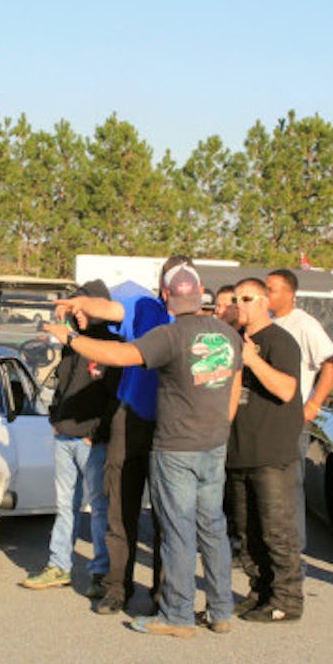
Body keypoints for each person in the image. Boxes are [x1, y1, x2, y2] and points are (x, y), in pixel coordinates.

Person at [47, 260, 242, 638]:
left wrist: (70, 338)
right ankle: (207, 607)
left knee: (176, 527)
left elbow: (121, 356)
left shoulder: (172, 334)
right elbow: (235, 381)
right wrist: (82, 303)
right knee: (200, 524)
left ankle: (174, 608)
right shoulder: (219, 331)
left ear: (167, 291)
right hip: (166, 426)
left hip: (175, 438)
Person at [53, 258, 190, 616]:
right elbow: (109, 308)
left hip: (171, 425)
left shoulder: (194, 322)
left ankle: (164, 595)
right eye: (171, 282)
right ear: (162, 286)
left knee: (167, 516)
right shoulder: (143, 306)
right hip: (130, 419)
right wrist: (81, 303)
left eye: (184, 281)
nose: (176, 288)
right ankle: (116, 588)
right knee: (119, 507)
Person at [21, 279, 118, 596]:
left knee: (99, 509)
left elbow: (115, 398)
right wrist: (55, 419)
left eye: (81, 307)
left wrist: (97, 433)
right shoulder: (70, 343)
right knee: (65, 507)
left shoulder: (111, 345)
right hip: (64, 437)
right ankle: (59, 566)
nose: (77, 313)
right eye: (74, 308)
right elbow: (61, 386)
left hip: (92, 442)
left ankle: (101, 573)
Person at [225, 278, 305, 623]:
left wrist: (252, 361)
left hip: (272, 454)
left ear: (263, 302)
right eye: (235, 299)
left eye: (246, 298)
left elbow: (287, 389)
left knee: (277, 531)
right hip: (239, 451)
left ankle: (287, 600)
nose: (239, 305)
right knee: (247, 533)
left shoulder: (280, 341)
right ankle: (260, 591)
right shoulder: (236, 339)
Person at [266, 268, 333, 549]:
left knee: (289, 484)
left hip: (292, 418)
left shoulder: (304, 324)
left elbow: (332, 362)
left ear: (290, 294)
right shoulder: (268, 322)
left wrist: (313, 404)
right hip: (267, 418)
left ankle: (294, 550)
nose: (266, 294)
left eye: (271, 289)